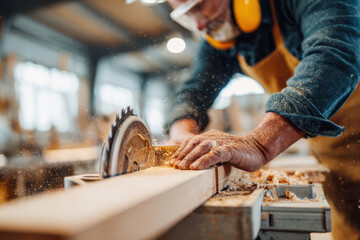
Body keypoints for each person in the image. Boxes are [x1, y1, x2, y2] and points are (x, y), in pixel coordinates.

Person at [157, 1, 360, 239]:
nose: (199, 24)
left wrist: (260, 144)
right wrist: (181, 133)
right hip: (335, 156)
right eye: (188, 15)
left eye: (200, 5)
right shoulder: (223, 33)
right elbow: (193, 91)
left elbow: (335, 55)